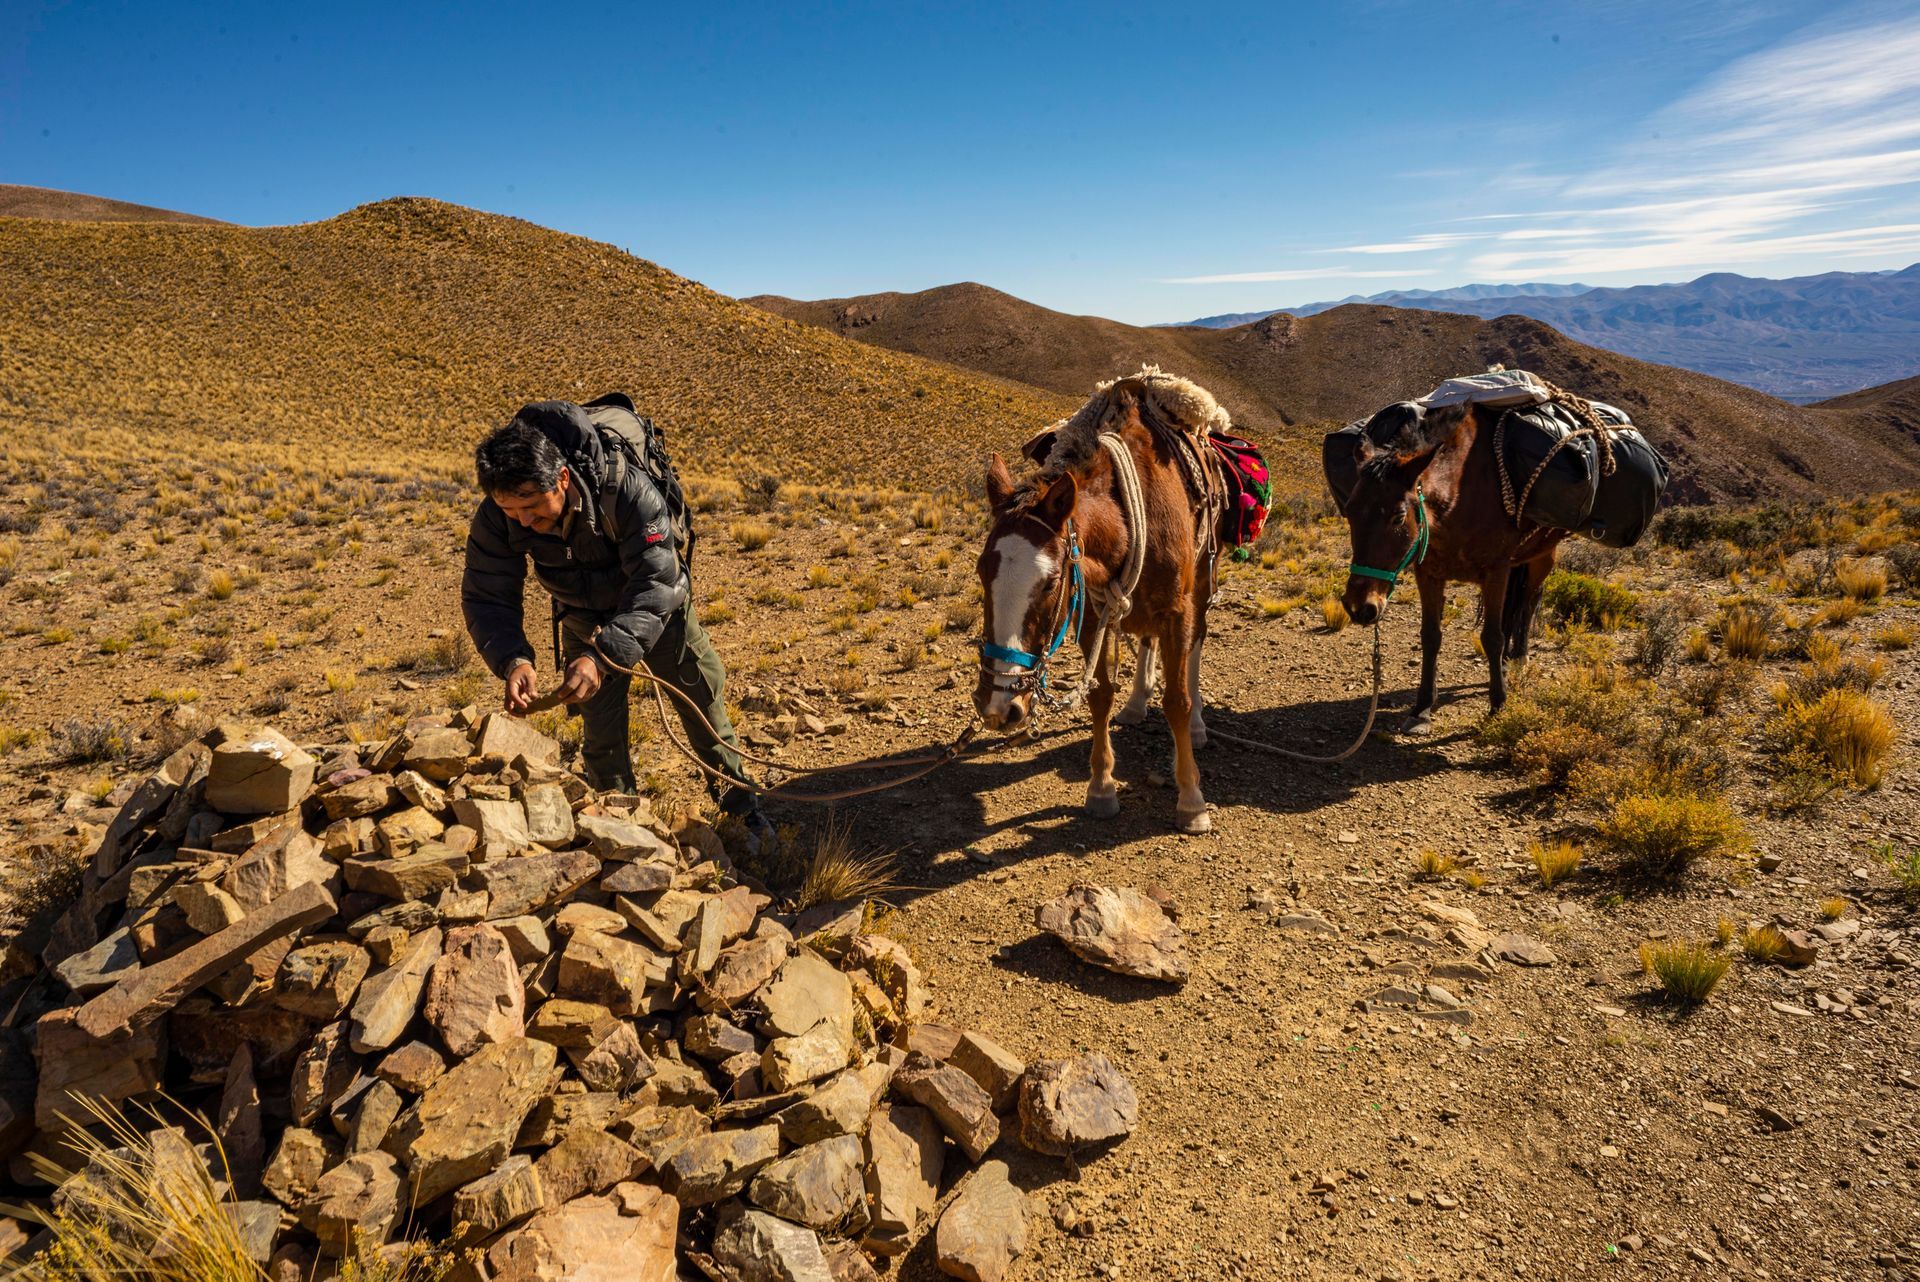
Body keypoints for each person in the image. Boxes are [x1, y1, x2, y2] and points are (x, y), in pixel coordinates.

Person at [460, 398, 773, 851]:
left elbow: (656, 580)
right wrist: (513, 660)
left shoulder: (625, 489)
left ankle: (743, 812)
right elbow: (487, 593)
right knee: (600, 730)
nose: (525, 521)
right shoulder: (498, 514)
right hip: (582, 614)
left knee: (701, 703)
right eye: (512, 513)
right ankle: (621, 835)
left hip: (657, 609)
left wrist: (603, 657)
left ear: (562, 478)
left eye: (532, 506)